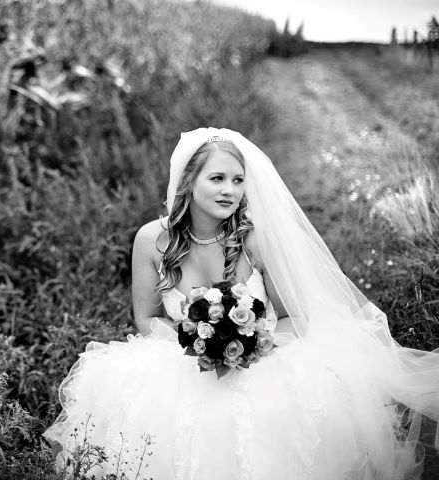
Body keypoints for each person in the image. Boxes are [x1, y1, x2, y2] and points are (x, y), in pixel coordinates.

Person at [43, 127, 439, 479]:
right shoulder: (151, 240)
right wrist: (195, 343)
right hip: (181, 361)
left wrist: (250, 345)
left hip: (264, 359)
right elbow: (145, 317)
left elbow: (296, 317)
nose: (229, 190)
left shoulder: (255, 239)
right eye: (216, 178)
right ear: (188, 182)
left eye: (237, 180)